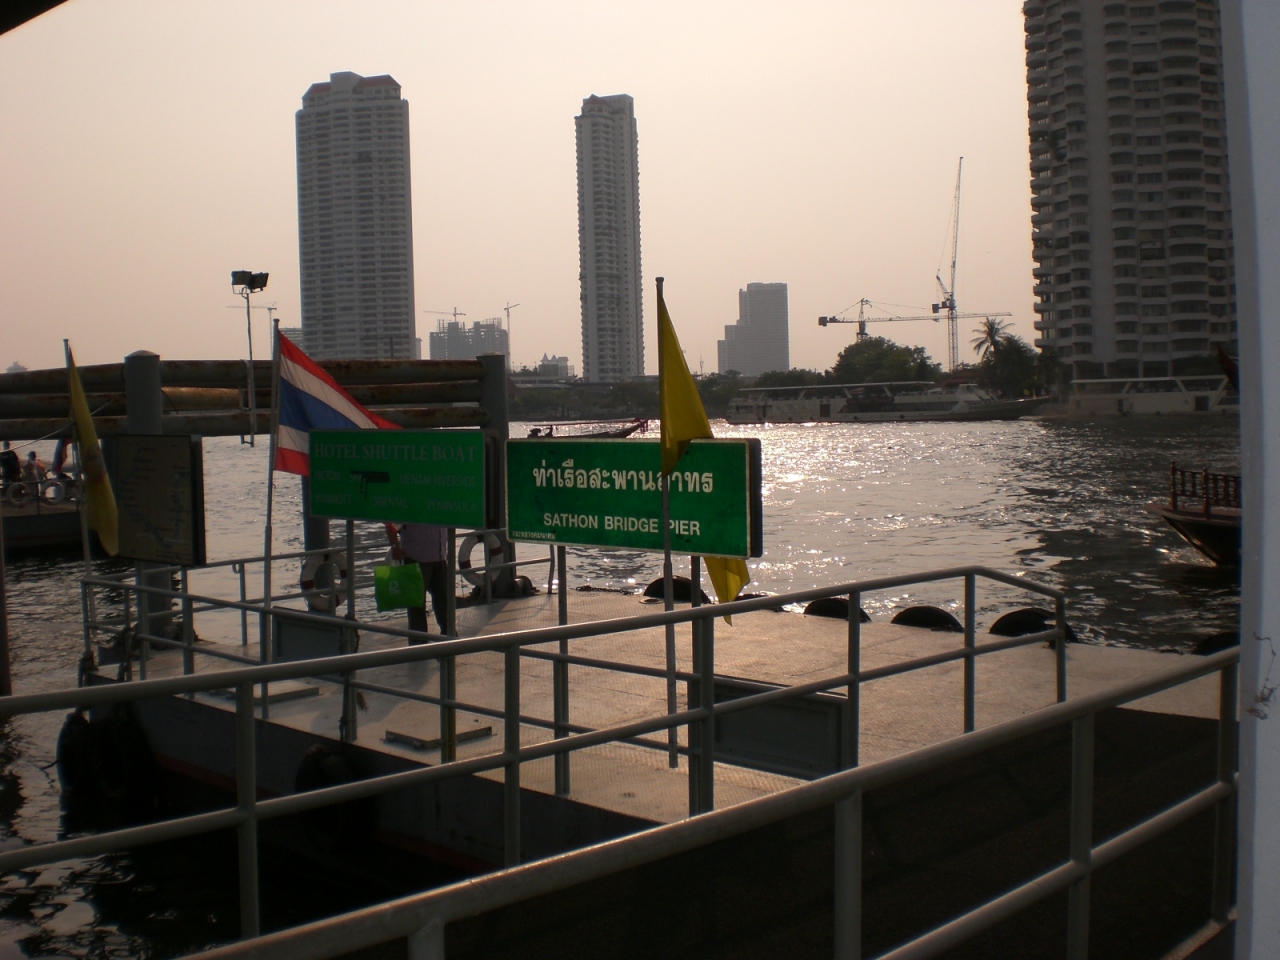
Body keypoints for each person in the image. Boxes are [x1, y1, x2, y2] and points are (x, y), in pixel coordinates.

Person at [386, 522, 451, 642]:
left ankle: (449, 636)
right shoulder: (410, 510)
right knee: (416, 606)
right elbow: (391, 524)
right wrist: (395, 547)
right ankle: (419, 643)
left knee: (444, 600)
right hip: (415, 559)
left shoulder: (440, 509)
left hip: (440, 558)